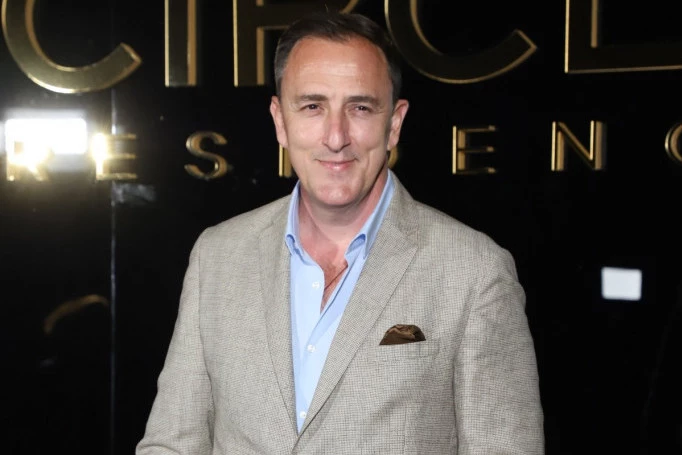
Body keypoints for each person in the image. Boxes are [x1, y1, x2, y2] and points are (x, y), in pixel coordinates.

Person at [137, 10, 544, 454]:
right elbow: (172, 444)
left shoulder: (475, 271)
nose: (336, 137)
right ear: (280, 121)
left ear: (394, 123)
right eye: (312, 106)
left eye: (360, 108)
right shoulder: (218, 256)